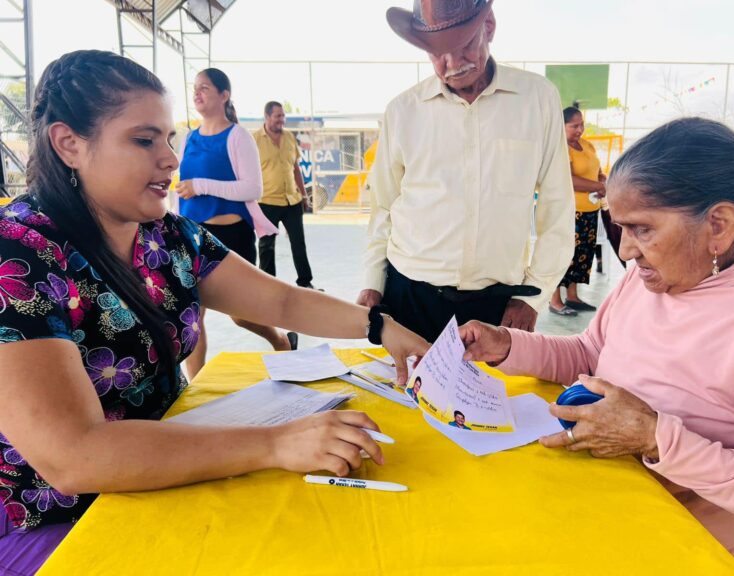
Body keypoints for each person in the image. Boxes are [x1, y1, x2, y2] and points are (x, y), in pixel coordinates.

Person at [0, 50, 429, 575]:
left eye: (168, 139)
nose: (170, 160)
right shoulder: (17, 254)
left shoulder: (169, 236)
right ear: (69, 144)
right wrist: (275, 443)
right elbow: (73, 457)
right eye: (143, 140)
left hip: (172, 467)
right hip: (57, 519)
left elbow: (281, 300)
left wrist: (380, 327)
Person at [459, 117, 734, 574]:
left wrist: (654, 438)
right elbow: (590, 354)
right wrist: (506, 346)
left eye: (642, 229)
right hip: (612, 507)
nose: (625, 252)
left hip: (698, 547)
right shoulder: (649, 280)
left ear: (718, 226)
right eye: (619, 228)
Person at [357, 0, 574, 342]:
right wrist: (373, 282)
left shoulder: (537, 99)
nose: (452, 64)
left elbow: (558, 206)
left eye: (464, 47)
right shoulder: (402, 111)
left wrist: (533, 294)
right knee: (403, 394)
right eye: (436, 54)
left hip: (497, 304)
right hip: (410, 298)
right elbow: (383, 205)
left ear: (488, 26)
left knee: (494, 396)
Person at [173, 69, 295, 380]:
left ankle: (280, 340)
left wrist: (200, 185)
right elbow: (180, 188)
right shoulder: (187, 138)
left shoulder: (237, 136)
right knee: (193, 316)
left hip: (230, 236)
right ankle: (195, 388)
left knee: (239, 316)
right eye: (194, 88)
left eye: (205, 88)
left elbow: (252, 189)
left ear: (224, 95)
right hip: (190, 235)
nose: (197, 93)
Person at [253, 101, 319, 289]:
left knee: (299, 243)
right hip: (266, 202)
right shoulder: (255, 140)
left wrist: (304, 195)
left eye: (283, 116)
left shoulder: (290, 137)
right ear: (267, 117)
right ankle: (268, 284)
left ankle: (305, 282)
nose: (282, 119)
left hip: (292, 201)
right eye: (278, 116)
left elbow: (296, 168)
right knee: (266, 246)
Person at [549, 105, 605, 316]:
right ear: (562, 126)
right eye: (574, 126)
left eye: (582, 125)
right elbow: (568, 179)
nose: (580, 129)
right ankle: (555, 300)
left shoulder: (587, 146)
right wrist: (598, 187)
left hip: (590, 210)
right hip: (570, 211)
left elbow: (598, 171)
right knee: (564, 254)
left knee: (582, 255)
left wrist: (602, 181)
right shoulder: (561, 148)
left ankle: (572, 297)